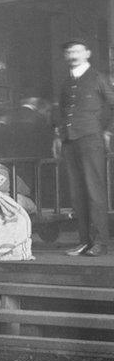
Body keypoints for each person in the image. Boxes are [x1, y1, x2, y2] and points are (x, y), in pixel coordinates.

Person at [52, 40, 114, 256]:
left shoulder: (98, 78)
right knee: (77, 193)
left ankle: (100, 242)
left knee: (94, 191)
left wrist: (107, 131)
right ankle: (84, 241)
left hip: (91, 141)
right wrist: (58, 135)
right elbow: (60, 110)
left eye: (77, 50)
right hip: (70, 142)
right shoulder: (66, 82)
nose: (73, 54)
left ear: (87, 53)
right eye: (69, 51)